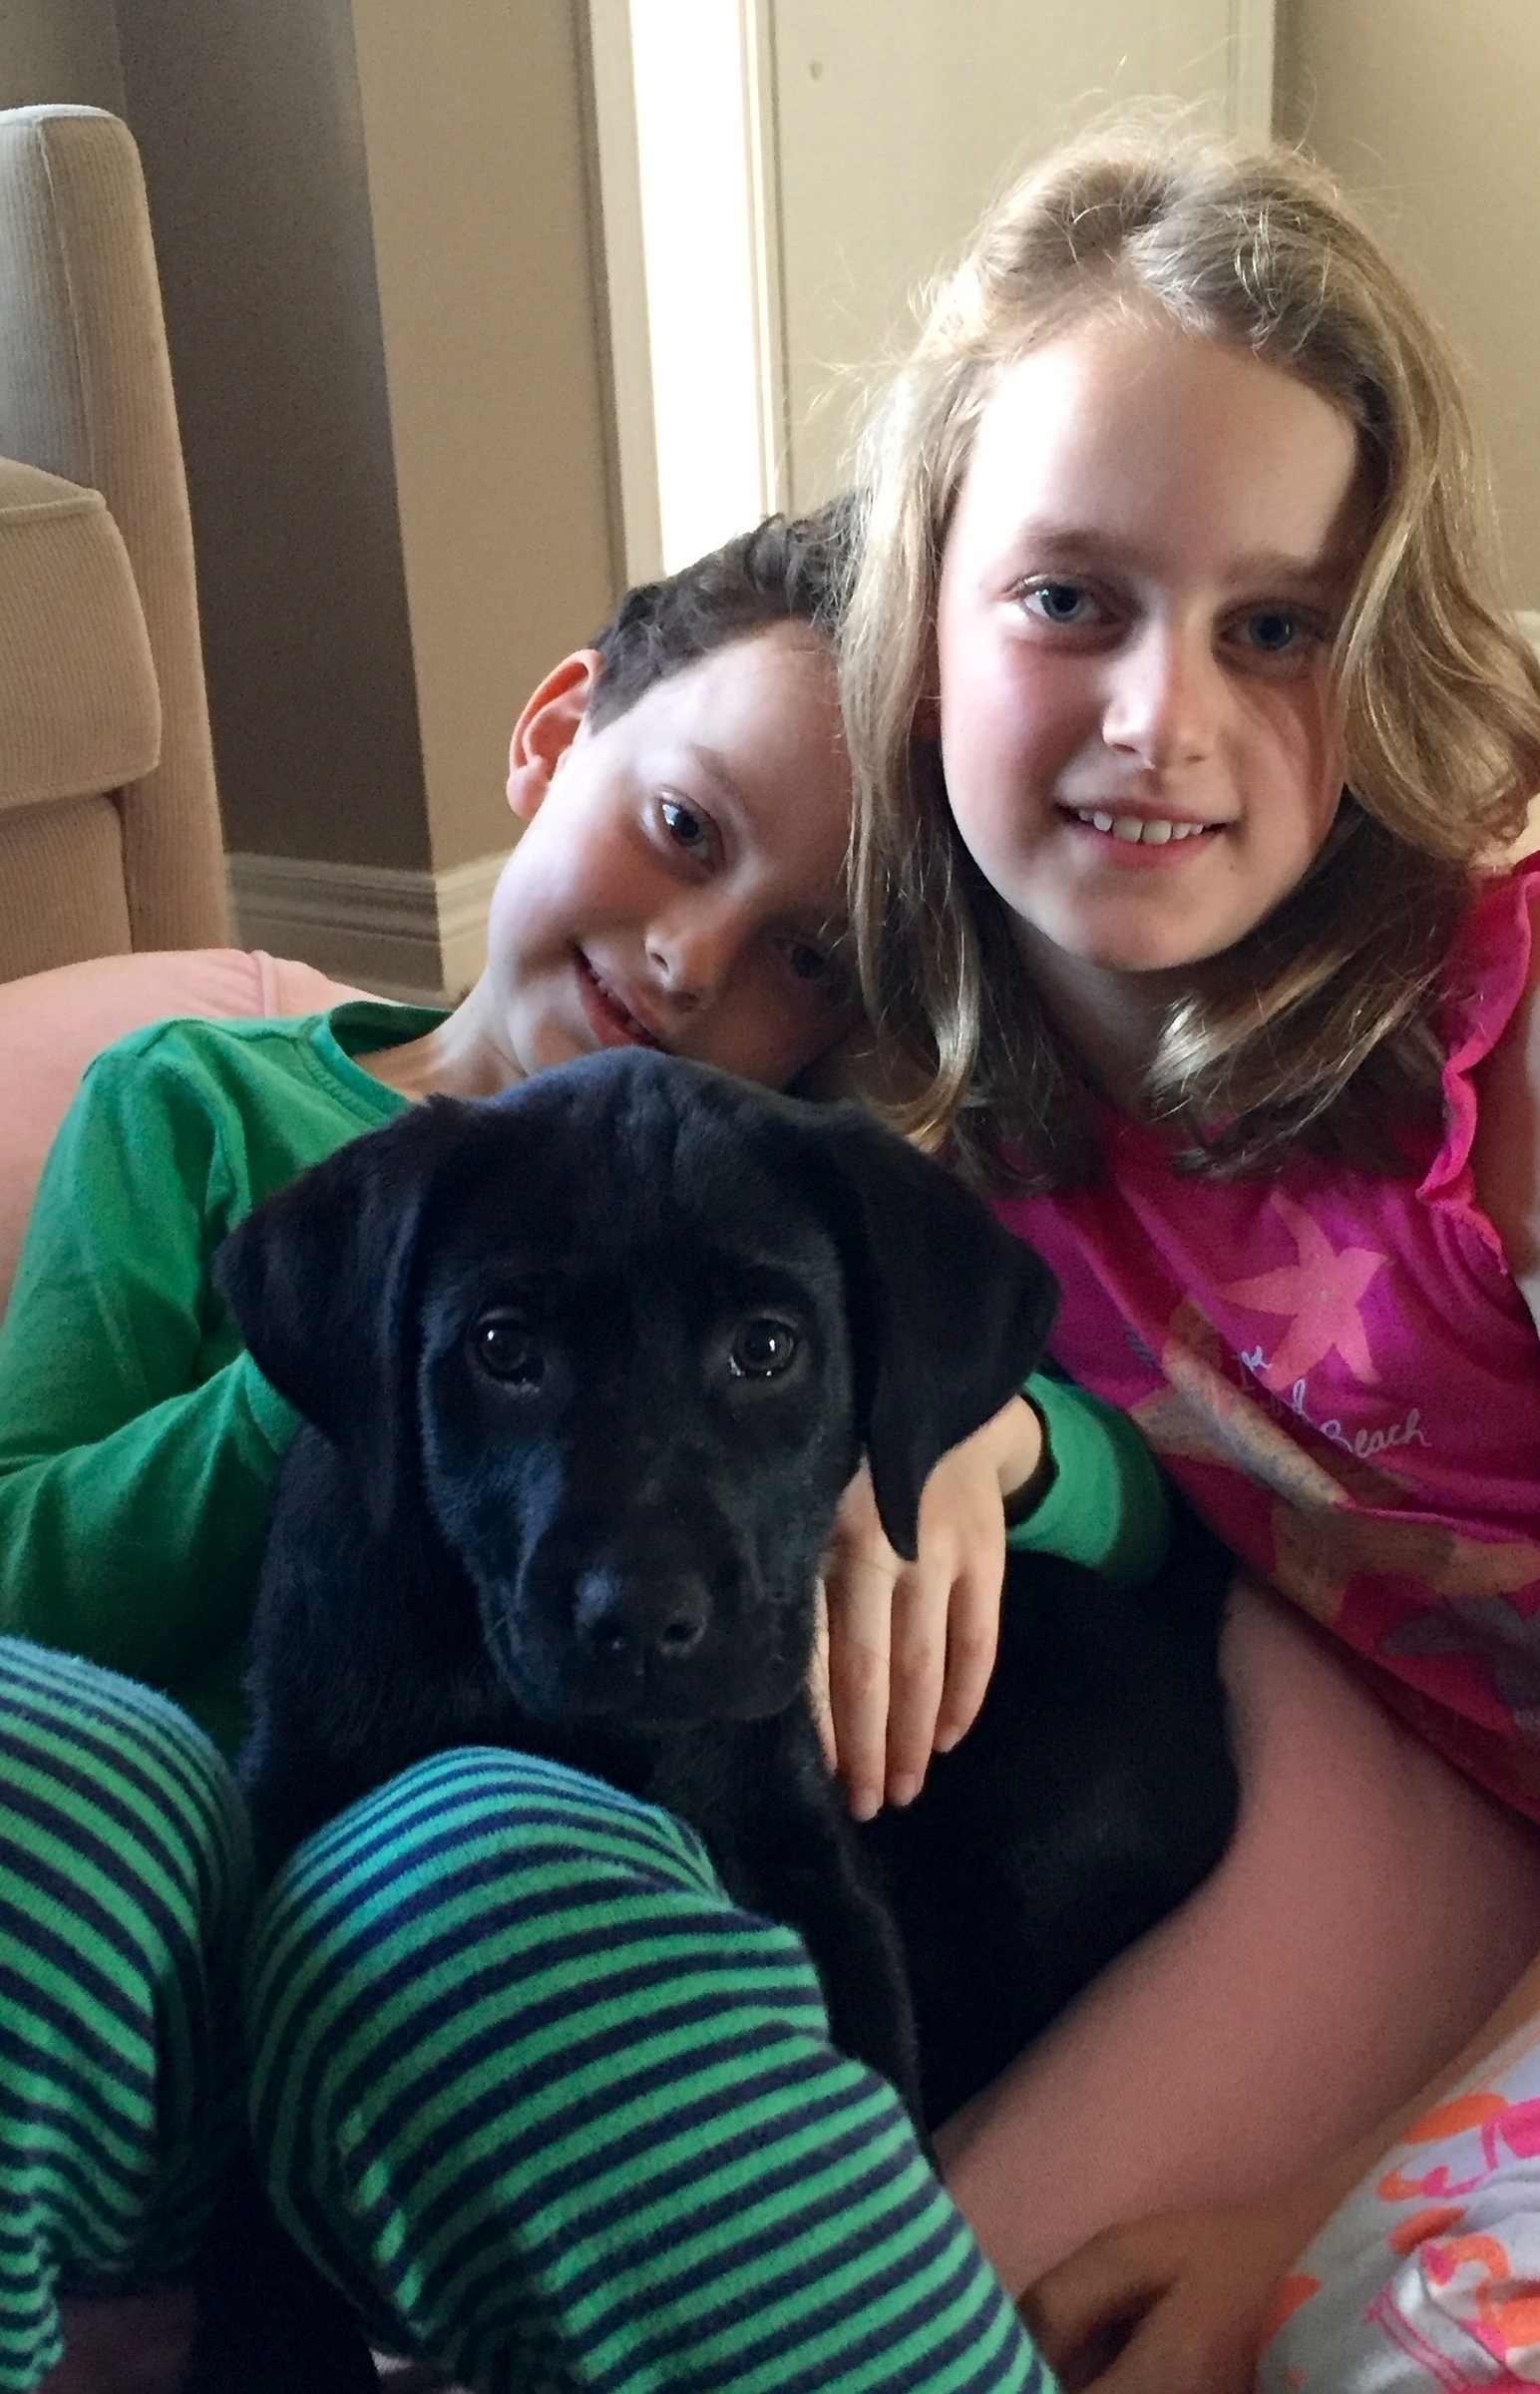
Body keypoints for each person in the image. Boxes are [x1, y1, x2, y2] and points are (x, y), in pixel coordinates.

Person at [0, 510, 1155, 2394]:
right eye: (683, 827)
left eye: (808, 955)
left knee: (521, 1882)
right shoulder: (197, 1102)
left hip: (514, 2006)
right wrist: (374, 1339)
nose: (693, 958)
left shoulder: (799, 1207)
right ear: (554, 735)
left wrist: (965, 1446)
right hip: (161, 1994)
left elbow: (1141, 1499)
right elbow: (19, 1565)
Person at [840, 124, 1540, 2389]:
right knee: (919, 2314)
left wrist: (1329, 2205)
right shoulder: (928, 1117)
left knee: (1423, 2337)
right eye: (1070, 598)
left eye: (1276, 629)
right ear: (924, 620)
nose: (1161, 717)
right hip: (1452, 1811)